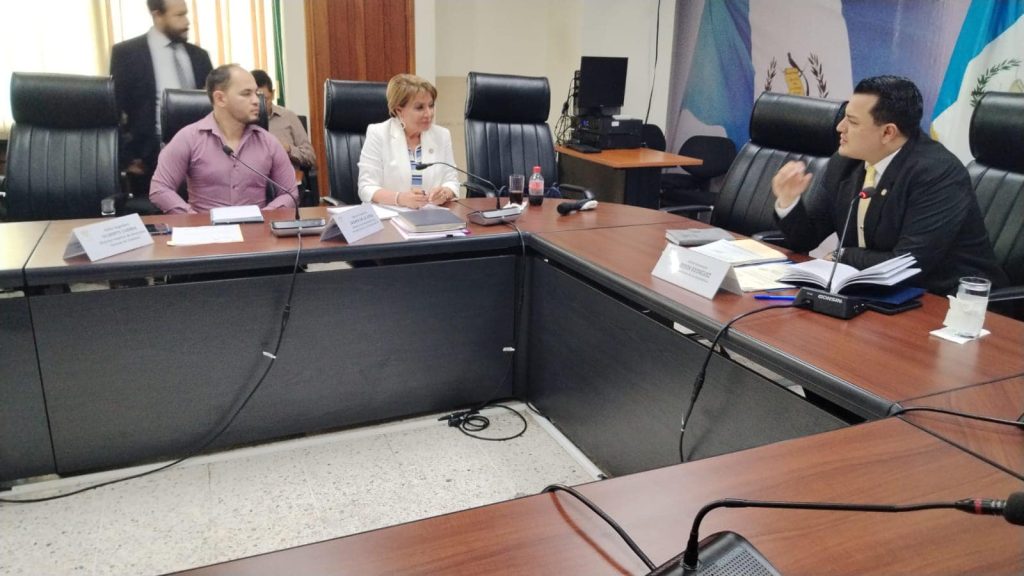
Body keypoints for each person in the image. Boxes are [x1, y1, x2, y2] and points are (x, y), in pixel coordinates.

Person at [771, 75, 1006, 295]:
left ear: (887, 132)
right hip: (877, 292)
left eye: (852, 121)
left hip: (947, 299)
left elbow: (908, 264)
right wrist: (788, 202)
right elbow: (805, 240)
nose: (840, 127)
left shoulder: (938, 173)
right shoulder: (845, 162)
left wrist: (843, 255)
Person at [149, 64, 297, 213]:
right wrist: (191, 217)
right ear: (220, 99)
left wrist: (266, 215)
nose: (256, 100)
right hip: (205, 225)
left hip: (258, 226)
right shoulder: (188, 138)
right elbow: (160, 188)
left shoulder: (269, 142)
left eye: (256, 93)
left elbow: (290, 193)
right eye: (246, 94)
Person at [110, 0, 213, 195]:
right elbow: (114, 110)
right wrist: (127, 158)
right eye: (179, 15)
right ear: (157, 15)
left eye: (185, 14)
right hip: (149, 160)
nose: (187, 21)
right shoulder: (127, 54)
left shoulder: (199, 56)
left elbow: (212, 106)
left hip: (199, 158)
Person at [357, 74, 460, 208]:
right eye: (420, 107)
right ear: (399, 110)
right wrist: (400, 198)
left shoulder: (442, 135)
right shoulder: (378, 133)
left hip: (430, 214)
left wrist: (445, 193)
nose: (429, 114)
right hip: (391, 214)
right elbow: (366, 187)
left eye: (431, 105)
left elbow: (452, 181)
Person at [251, 69, 316, 170]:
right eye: (255, 101)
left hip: (289, 176)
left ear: (272, 94)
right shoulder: (242, 122)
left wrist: (289, 149)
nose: (259, 105)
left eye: (264, 100)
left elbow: (310, 157)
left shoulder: (288, 117)